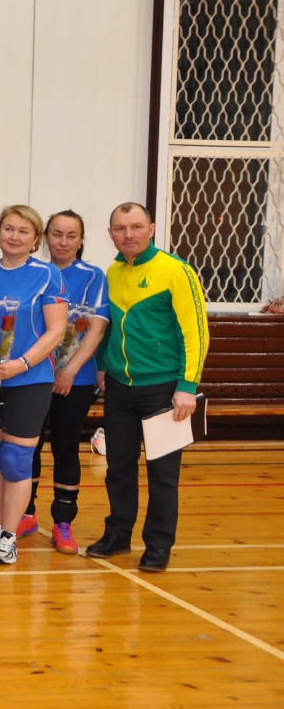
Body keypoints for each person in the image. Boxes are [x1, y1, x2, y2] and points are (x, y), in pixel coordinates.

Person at [86, 202, 208, 573]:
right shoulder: (113, 272)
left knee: (163, 475)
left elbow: (196, 333)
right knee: (118, 468)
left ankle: (158, 545)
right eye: (120, 228)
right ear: (111, 234)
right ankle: (118, 534)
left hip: (165, 390)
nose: (129, 235)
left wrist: (187, 386)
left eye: (136, 227)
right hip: (120, 388)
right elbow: (109, 325)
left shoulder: (176, 271)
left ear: (151, 229)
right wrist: (104, 367)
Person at [0, 205, 67, 566]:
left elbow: (56, 331)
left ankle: (9, 535)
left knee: (16, 460)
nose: (14, 236)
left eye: (24, 231)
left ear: (36, 238)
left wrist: (21, 364)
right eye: (8, 228)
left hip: (30, 379)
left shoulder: (47, 274)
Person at [25, 210, 109, 554]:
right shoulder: (35, 272)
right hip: (32, 377)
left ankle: (63, 523)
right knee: (27, 446)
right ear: (45, 237)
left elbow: (97, 329)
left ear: (81, 240)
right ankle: (25, 513)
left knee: (65, 446)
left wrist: (69, 370)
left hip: (76, 379)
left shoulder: (93, 276)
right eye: (56, 234)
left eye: (71, 236)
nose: (63, 242)